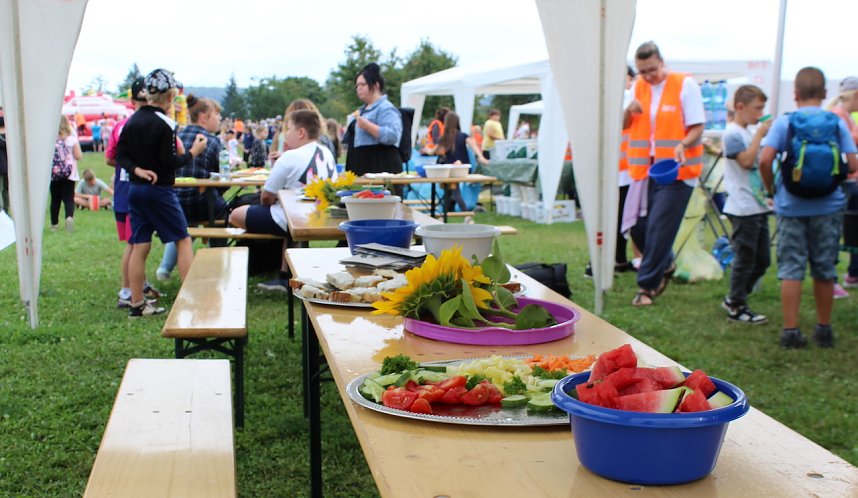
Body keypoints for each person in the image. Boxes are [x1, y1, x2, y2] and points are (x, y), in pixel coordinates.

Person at [760, 67, 858, 348]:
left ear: (796, 94)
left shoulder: (785, 122)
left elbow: (765, 160)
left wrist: (771, 190)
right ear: (825, 93)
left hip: (791, 206)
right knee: (824, 267)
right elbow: (852, 164)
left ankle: (791, 331)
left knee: (792, 268)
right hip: (829, 206)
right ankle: (823, 329)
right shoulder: (836, 122)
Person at [117, 68, 208, 317]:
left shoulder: (132, 120)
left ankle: (136, 303)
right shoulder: (166, 124)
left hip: (135, 190)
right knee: (183, 239)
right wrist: (193, 152)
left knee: (139, 245)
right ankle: (191, 297)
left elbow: (120, 155)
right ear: (170, 98)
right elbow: (169, 163)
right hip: (160, 192)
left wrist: (137, 169)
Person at [624, 41, 705, 307]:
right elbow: (624, 125)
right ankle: (665, 261)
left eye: (652, 70)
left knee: (660, 226)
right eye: (643, 71)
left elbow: (697, 127)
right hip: (644, 170)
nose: (648, 76)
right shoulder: (638, 88)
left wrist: (683, 144)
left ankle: (647, 286)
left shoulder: (684, 85)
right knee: (638, 226)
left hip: (678, 171)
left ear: (662, 62)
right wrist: (628, 109)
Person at [230, 109, 336, 291]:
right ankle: (284, 272)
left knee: (235, 214)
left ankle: (259, 265)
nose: (285, 133)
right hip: (322, 215)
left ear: (301, 132)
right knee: (288, 216)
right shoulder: (326, 152)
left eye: (289, 128)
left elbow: (266, 197)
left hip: (294, 218)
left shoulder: (290, 156)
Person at [157, 94, 227, 282]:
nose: (219, 119)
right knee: (221, 209)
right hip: (198, 203)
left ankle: (165, 267)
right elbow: (221, 179)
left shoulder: (176, 136)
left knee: (184, 222)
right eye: (217, 115)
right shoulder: (212, 141)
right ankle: (218, 260)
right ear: (204, 117)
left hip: (171, 203)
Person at [106, 77, 162, 308]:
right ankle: (128, 292)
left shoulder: (120, 126)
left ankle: (139, 284)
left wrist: (126, 165)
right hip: (137, 191)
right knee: (136, 244)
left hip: (122, 192)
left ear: (131, 100)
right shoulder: (153, 123)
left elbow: (109, 158)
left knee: (135, 243)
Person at [720, 85, 773, 324]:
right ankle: (736, 304)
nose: (760, 113)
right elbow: (746, 161)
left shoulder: (747, 132)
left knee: (762, 259)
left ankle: (735, 296)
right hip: (742, 207)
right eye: (757, 108)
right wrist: (761, 135)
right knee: (745, 258)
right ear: (740, 107)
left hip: (757, 205)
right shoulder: (732, 133)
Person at [826, 76, 858, 293]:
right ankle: (832, 280)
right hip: (844, 182)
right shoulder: (839, 116)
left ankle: (850, 274)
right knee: (835, 230)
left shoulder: (846, 117)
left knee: (847, 229)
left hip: (849, 182)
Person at [344, 62, 402, 175]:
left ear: (376, 85)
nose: (358, 89)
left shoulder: (386, 108)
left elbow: (393, 135)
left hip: (380, 166)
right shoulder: (361, 111)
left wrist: (367, 126)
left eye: (362, 85)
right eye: (357, 86)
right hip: (360, 165)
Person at [426, 111, 488, 214]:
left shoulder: (444, 138)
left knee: (454, 192)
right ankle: (450, 215)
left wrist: (427, 151)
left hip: (450, 171)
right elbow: (474, 146)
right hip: (462, 169)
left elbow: (434, 151)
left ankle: (464, 215)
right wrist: (481, 157)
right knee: (452, 192)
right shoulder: (463, 135)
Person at [50, 116, 82, 232]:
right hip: (70, 173)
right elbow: (78, 156)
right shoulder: (71, 139)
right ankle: (69, 217)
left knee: (55, 199)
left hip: (54, 173)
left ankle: (54, 224)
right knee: (69, 198)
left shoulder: (51, 139)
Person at [0, 112, 8, 213]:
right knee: (6, 190)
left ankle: (1, 210)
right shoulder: (11, 137)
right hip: (9, 167)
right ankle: (6, 208)